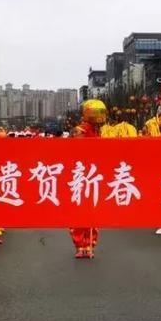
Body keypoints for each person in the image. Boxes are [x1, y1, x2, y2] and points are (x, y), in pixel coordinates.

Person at [70, 98, 115, 259]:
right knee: (79, 212)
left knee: (93, 212)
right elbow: (76, 154)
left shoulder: (99, 131)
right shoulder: (79, 131)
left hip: (95, 176)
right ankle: (80, 245)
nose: (100, 117)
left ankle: (89, 245)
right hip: (80, 177)